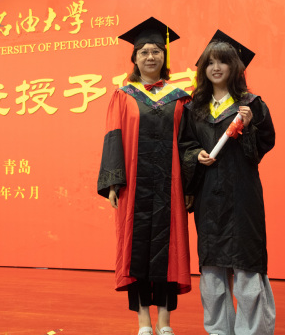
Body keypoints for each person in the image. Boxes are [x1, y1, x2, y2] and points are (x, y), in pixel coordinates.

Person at [97, 17, 192, 335]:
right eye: (144, 52)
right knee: (135, 251)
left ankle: (164, 322)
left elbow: (187, 144)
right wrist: (113, 182)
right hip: (134, 188)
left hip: (170, 187)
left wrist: (190, 186)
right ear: (135, 58)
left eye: (156, 51)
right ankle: (143, 323)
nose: (150, 57)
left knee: (169, 251)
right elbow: (113, 137)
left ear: (164, 56)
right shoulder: (123, 96)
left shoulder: (180, 98)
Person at [181, 30, 276, 335]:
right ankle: (219, 330)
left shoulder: (250, 104)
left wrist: (248, 126)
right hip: (209, 195)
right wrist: (196, 155)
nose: (216, 67)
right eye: (210, 62)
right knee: (212, 268)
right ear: (203, 69)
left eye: (223, 61)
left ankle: (252, 331)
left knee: (246, 265)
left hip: (242, 195)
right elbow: (185, 145)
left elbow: (262, 146)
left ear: (235, 66)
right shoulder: (194, 108)